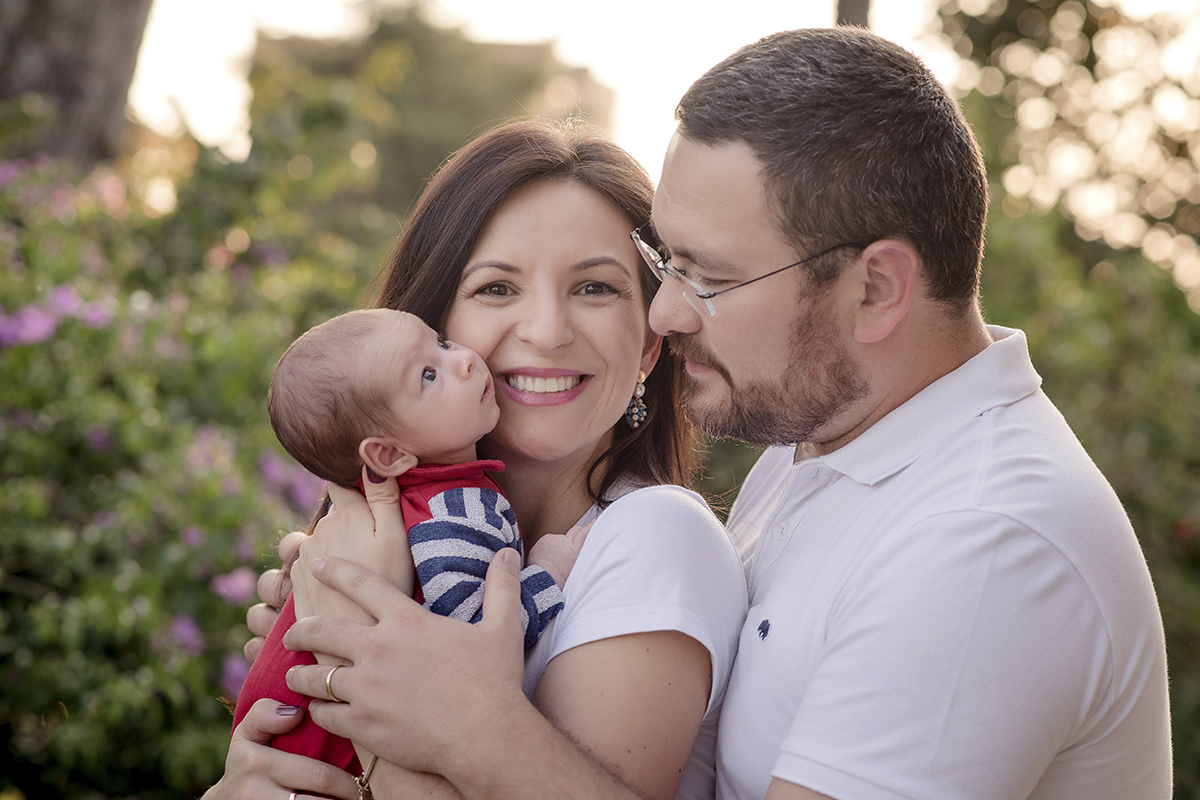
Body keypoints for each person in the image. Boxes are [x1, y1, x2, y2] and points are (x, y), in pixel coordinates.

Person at [260, 26, 1173, 800]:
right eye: (668, 267)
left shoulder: (985, 545)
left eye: (711, 276)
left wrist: (467, 727)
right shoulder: (824, 447)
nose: (662, 314)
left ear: (878, 288)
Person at [204, 119, 748, 800]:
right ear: (432, 326)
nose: (547, 331)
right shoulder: (383, 541)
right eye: (496, 288)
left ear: (647, 343)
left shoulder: (653, 537)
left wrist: (362, 690)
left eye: (595, 289)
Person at [232, 308, 580, 781]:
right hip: (317, 758)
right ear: (387, 454)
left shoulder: (391, 514)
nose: (466, 361)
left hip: (292, 746)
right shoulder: (455, 511)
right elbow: (475, 642)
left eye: (441, 342)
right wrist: (548, 574)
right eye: (429, 375)